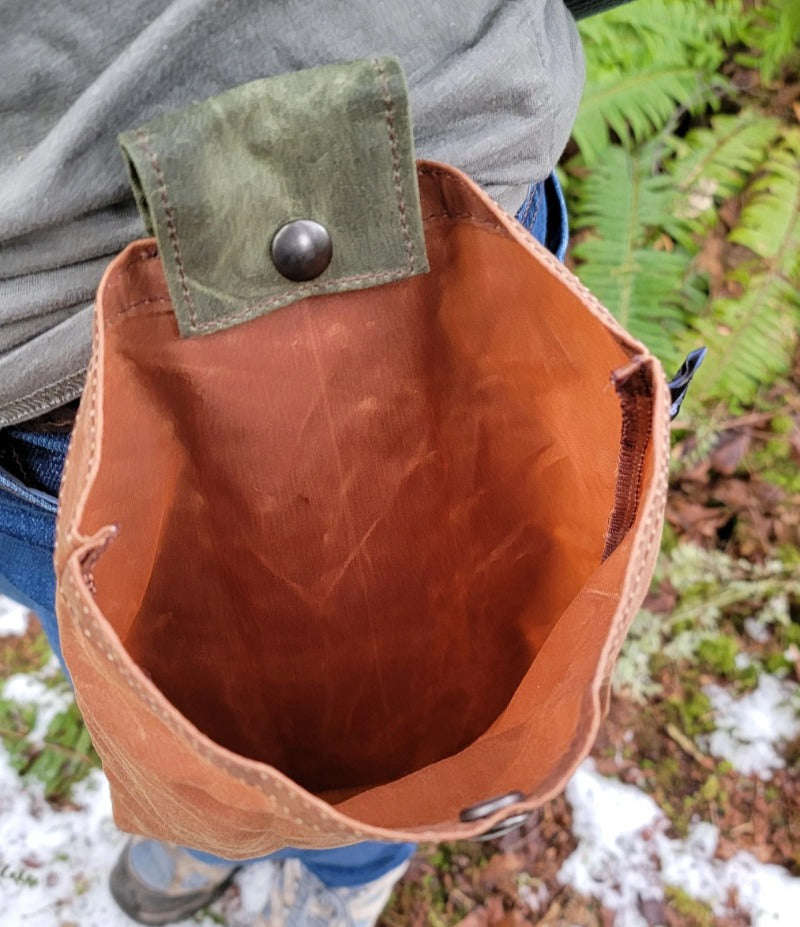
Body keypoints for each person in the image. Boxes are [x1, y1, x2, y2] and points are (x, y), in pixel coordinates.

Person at [0, 1, 631, 924]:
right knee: (150, 672)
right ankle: (213, 811)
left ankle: (343, 865)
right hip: (40, 352)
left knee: (396, 699)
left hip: (427, 211)